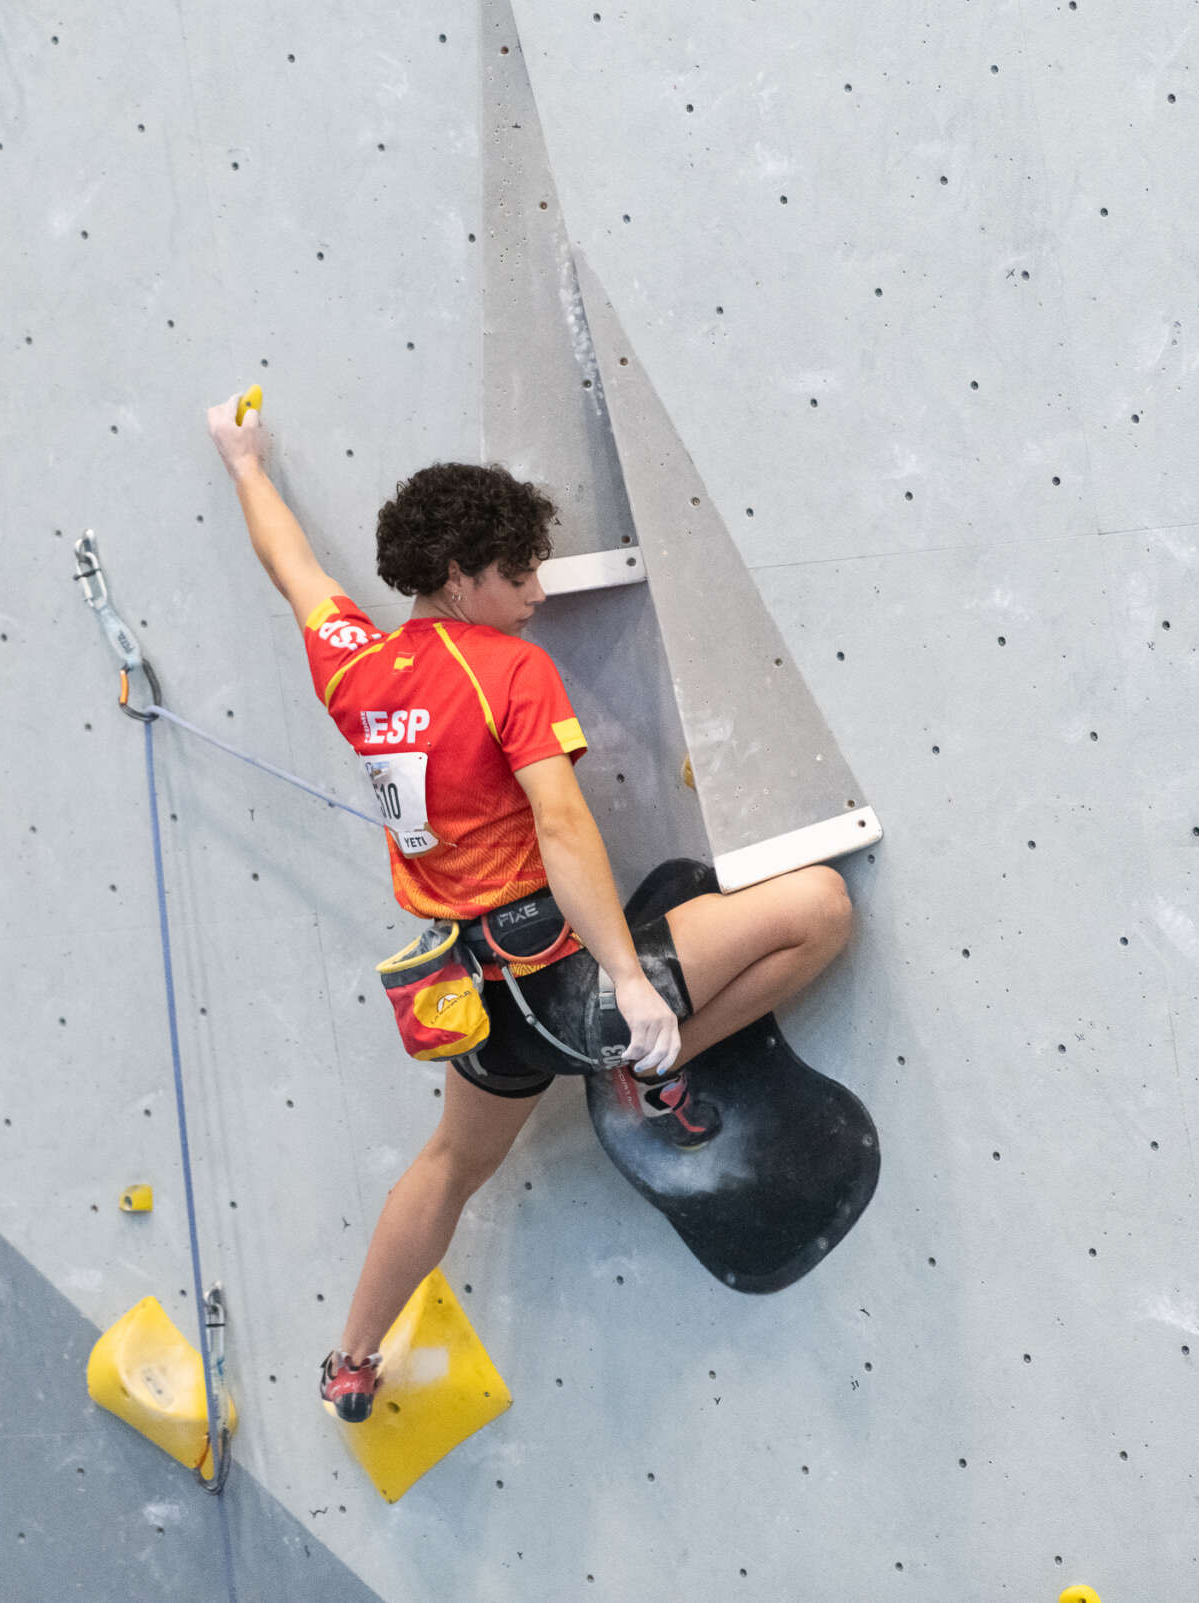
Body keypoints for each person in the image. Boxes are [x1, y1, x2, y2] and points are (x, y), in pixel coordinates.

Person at [203, 397, 855, 1425]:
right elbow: (562, 832)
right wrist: (632, 988)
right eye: (517, 575)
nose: (537, 594)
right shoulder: (506, 669)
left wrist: (244, 466)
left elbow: (294, 572)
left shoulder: (358, 666)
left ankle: (349, 1358)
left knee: (453, 1164)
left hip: (470, 1008)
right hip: (559, 983)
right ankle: (659, 1061)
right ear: (458, 576)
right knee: (818, 908)